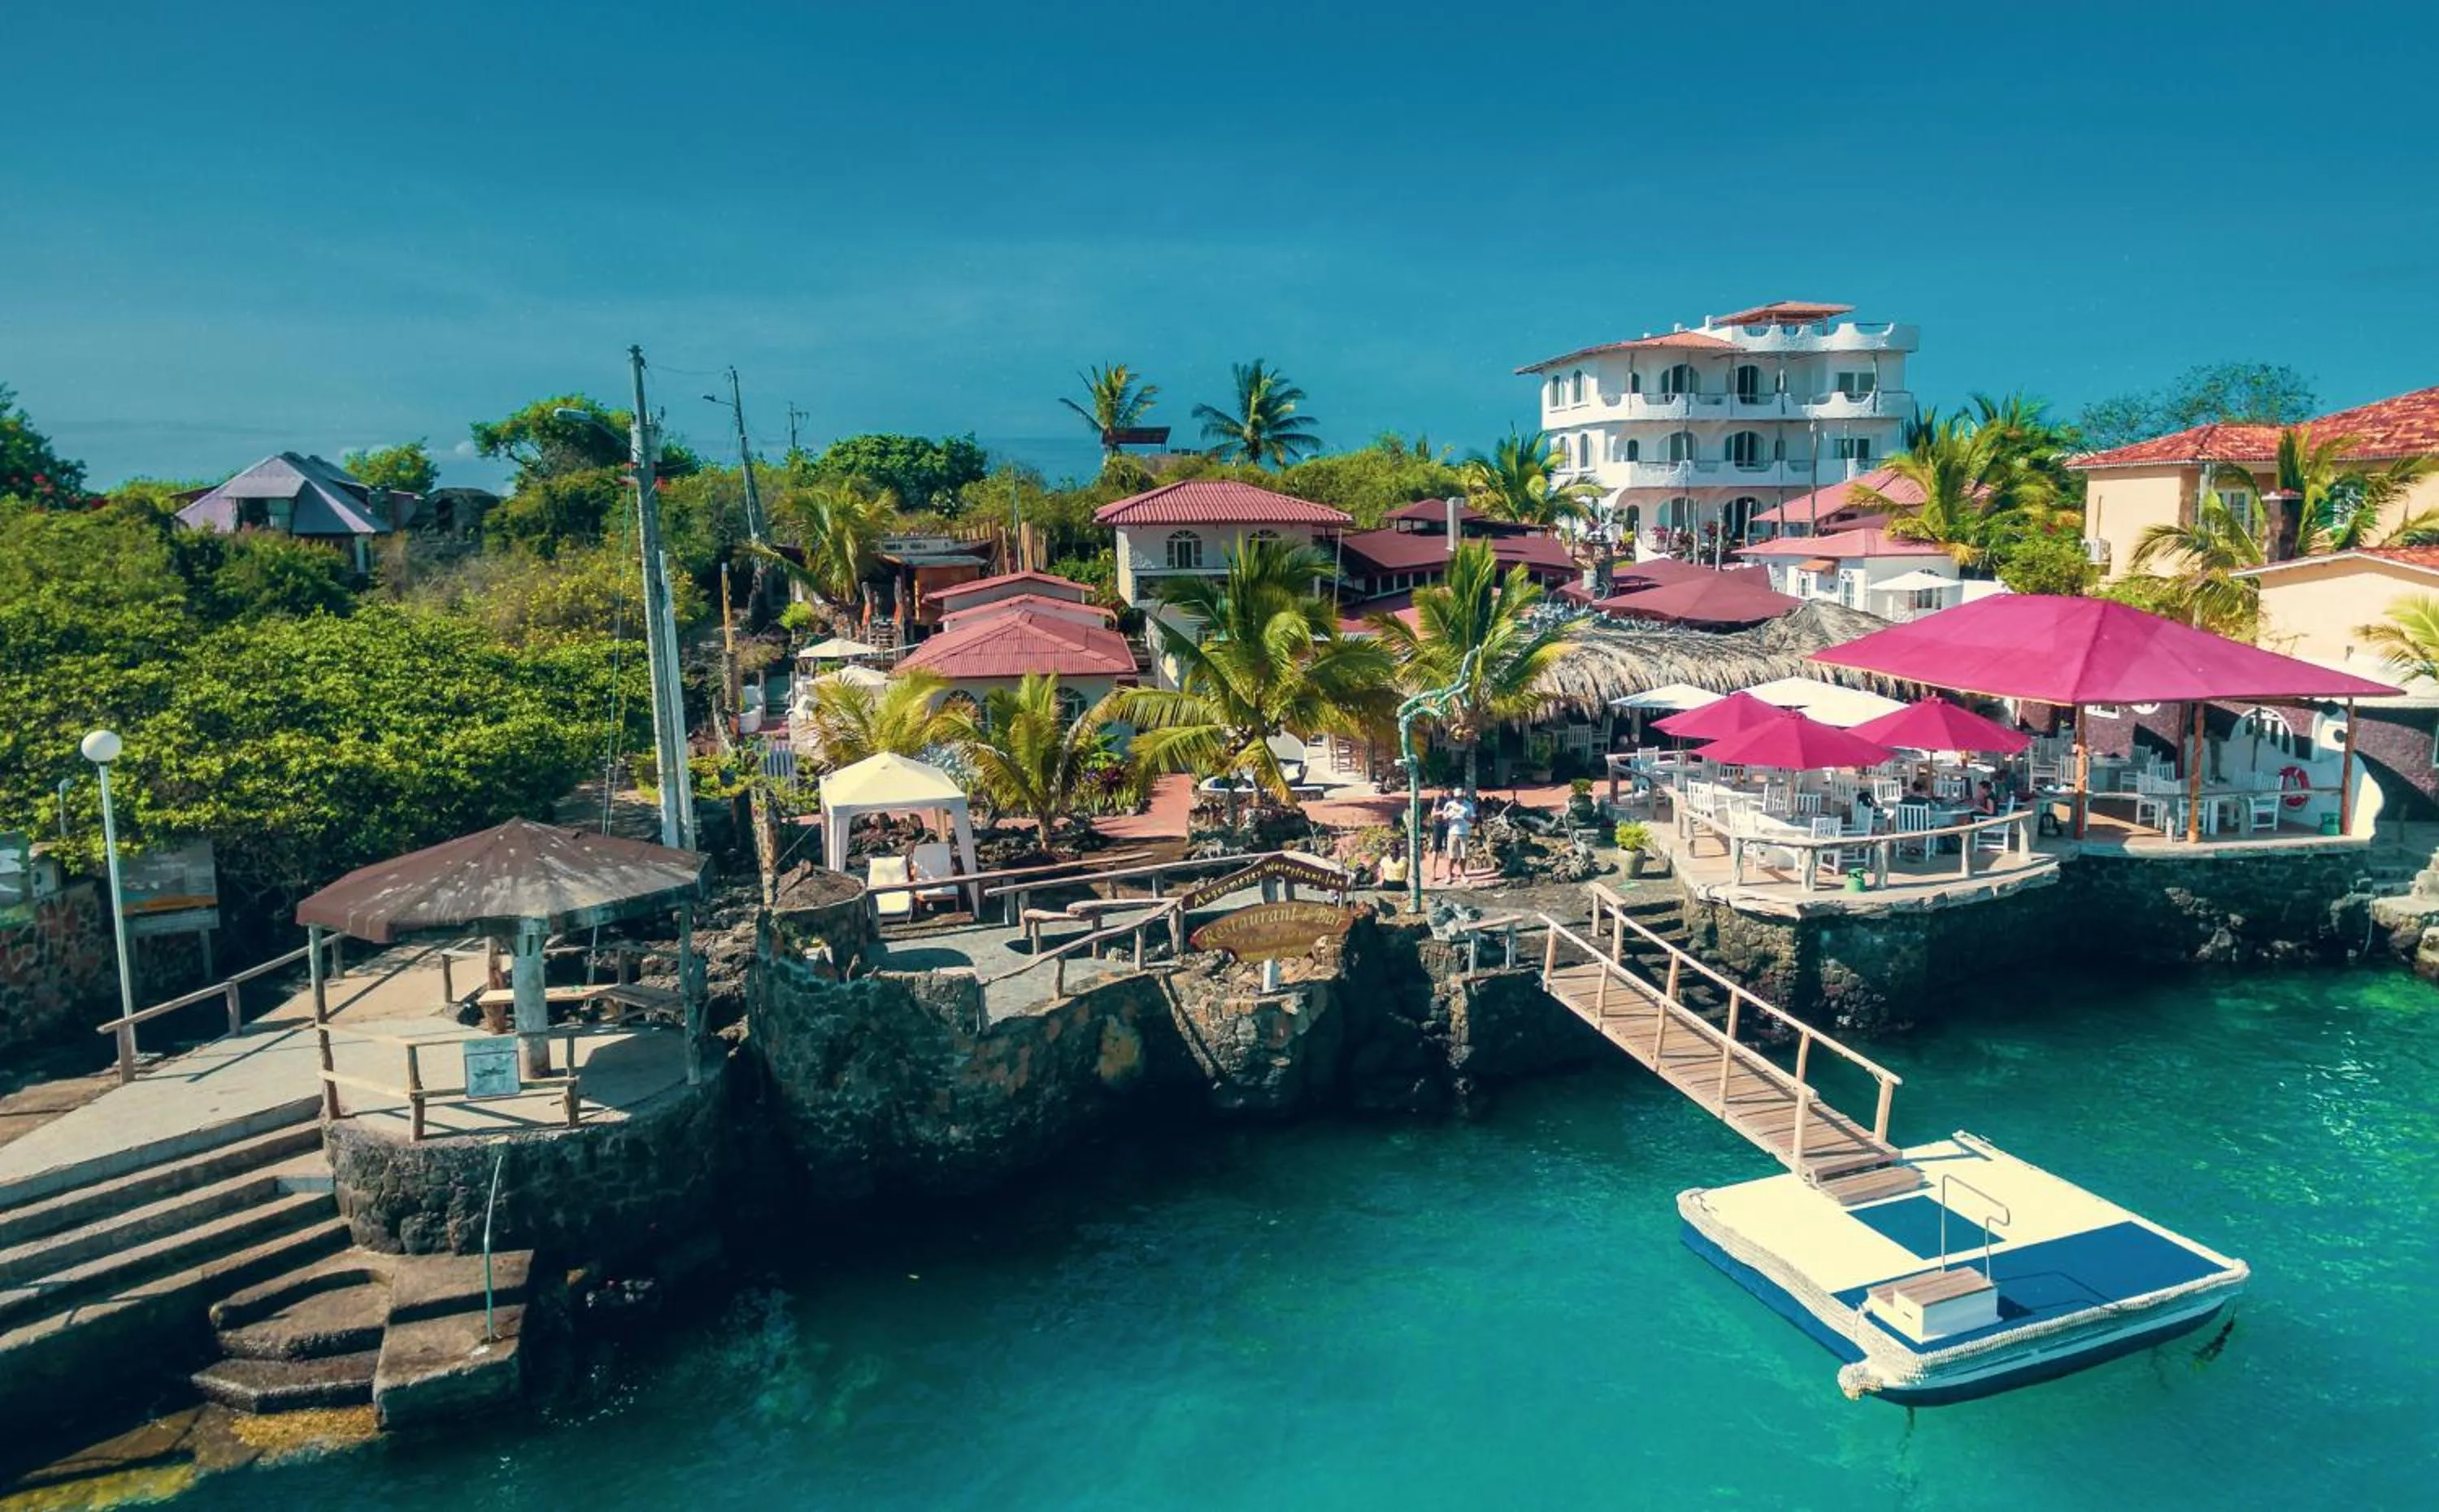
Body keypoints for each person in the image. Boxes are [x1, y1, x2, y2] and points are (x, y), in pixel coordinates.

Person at [1438, 792, 1478, 884]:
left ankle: (1463, 875)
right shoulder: (1449, 805)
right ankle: (1449, 875)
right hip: (1453, 833)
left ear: (1463, 797)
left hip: (1464, 833)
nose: (1458, 799)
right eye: (1456, 797)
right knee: (1451, 856)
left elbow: (1473, 820)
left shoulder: (1468, 805)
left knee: (1463, 856)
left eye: (1460, 797)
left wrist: (1466, 817)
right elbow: (1444, 819)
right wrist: (1449, 816)